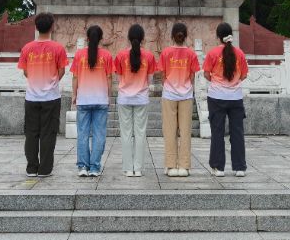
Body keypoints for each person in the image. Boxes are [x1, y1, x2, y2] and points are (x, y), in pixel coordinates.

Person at [16, 12, 68, 177]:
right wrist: (51, 82)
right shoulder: (58, 48)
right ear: (52, 26)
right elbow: (61, 71)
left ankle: (32, 168)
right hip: (51, 97)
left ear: (36, 27)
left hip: (31, 97)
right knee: (48, 133)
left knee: (31, 133)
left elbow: (25, 71)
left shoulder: (27, 48)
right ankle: (45, 169)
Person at [203, 22, 249, 177]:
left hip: (216, 97)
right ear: (231, 35)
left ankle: (218, 167)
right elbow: (243, 75)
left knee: (217, 132)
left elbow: (206, 74)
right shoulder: (240, 53)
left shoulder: (213, 53)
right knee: (237, 132)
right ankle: (239, 167)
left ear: (218, 36)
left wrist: (218, 82)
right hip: (235, 97)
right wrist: (233, 83)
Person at [114, 24, 157, 177]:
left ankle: (128, 168)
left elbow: (119, 78)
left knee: (126, 133)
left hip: (124, 98)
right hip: (141, 98)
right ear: (143, 38)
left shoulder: (120, 56)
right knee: (140, 133)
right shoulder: (149, 56)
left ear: (129, 37)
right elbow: (150, 79)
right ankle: (138, 168)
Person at [158, 22, 200, 177]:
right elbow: (192, 75)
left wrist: (170, 86)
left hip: (169, 94)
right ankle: (184, 166)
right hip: (186, 95)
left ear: (172, 36)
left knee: (169, 131)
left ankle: (170, 166)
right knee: (185, 131)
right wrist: (185, 87)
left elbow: (162, 75)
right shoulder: (191, 54)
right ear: (185, 36)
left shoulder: (166, 53)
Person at [71, 25, 113, 177]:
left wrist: (74, 95)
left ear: (87, 38)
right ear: (101, 38)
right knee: (99, 134)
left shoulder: (79, 55)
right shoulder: (107, 55)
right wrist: (109, 96)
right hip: (100, 99)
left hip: (83, 99)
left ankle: (83, 167)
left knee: (82, 134)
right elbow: (109, 77)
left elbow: (75, 77)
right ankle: (94, 167)